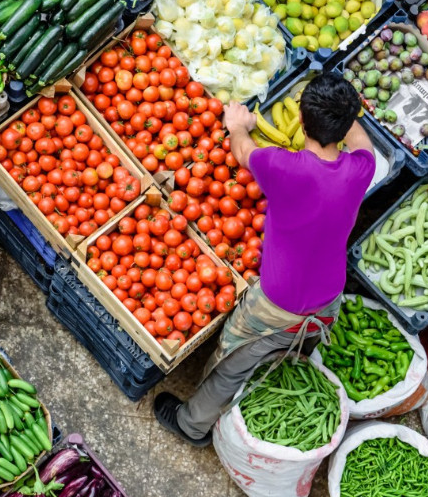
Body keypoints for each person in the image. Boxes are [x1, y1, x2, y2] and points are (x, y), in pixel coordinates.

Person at [153, 73, 376, 446]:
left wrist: (237, 125)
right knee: (296, 344)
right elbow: (363, 143)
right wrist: (343, 112)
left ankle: (191, 425)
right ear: (346, 123)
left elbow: (243, 152)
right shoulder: (361, 170)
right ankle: (286, 359)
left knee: (231, 364)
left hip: (274, 304)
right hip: (328, 300)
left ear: (301, 121)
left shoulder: (282, 166)